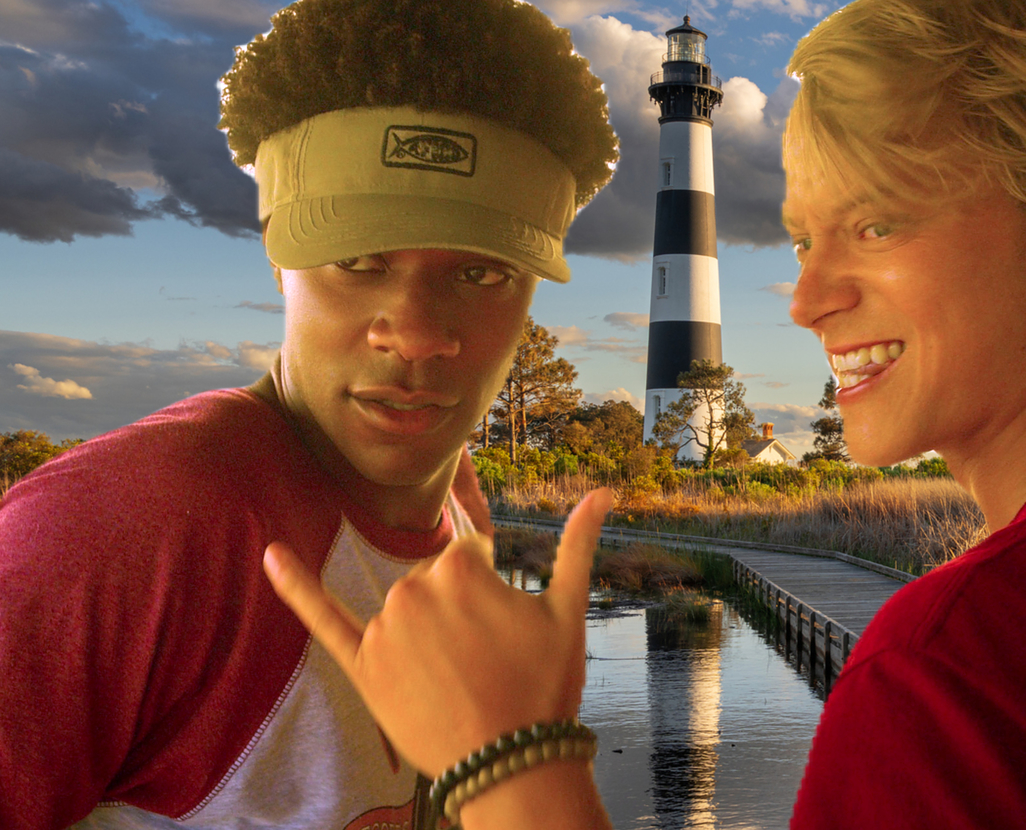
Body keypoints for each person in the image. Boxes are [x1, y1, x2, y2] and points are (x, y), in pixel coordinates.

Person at [262, 0, 1026, 827]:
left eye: (875, 222)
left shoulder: (950, 676)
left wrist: (513, 768)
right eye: (798, 239)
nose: (806, 297)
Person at [0, 0, 616, 827]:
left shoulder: (461, 525)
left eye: (481, 275)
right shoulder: (125, 530)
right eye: (358, 260)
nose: (417, 334)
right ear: (278, 261)